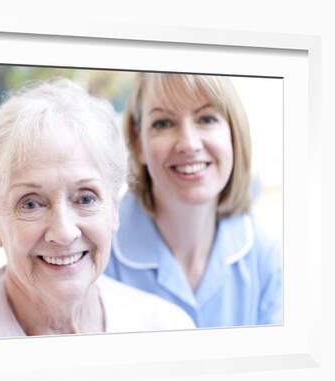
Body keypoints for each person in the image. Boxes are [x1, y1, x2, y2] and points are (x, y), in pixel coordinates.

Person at [0, 78, 195, 341]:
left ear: (113, 210)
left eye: (85, 199)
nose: (64, 233)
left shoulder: (167, 328)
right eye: (30, 203)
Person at [105, 73, 282, 328]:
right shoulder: (101, 254)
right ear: (138, 142)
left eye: (207, 119)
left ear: (234, 133)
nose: (188, 144)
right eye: (163, 123)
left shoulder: (266, 255)